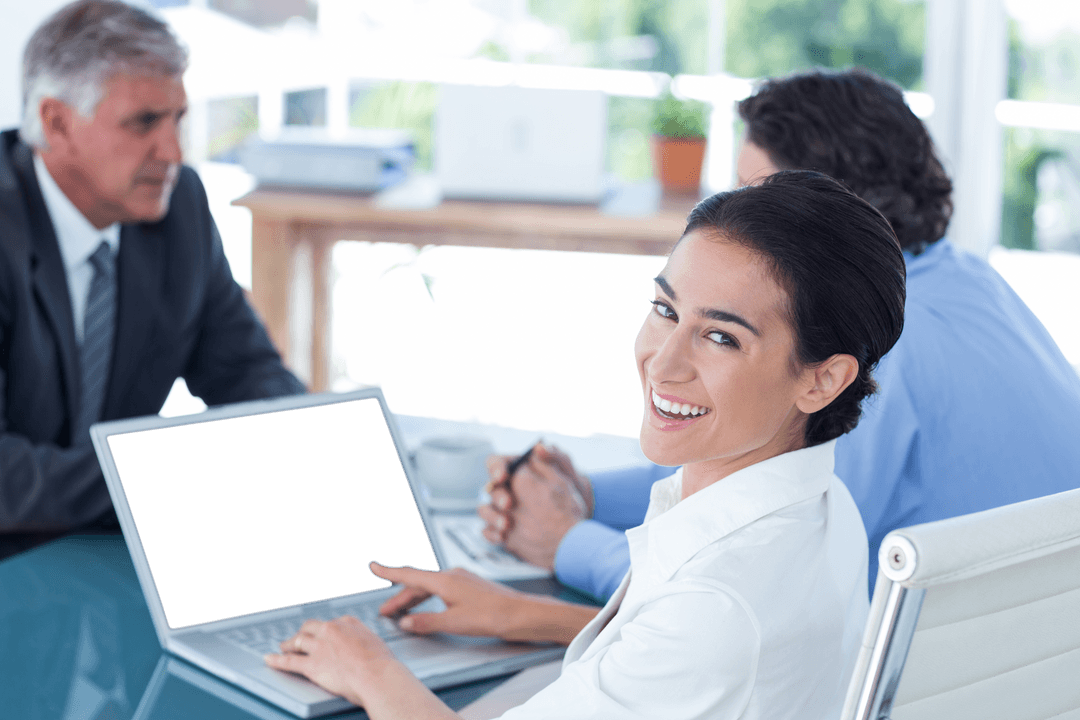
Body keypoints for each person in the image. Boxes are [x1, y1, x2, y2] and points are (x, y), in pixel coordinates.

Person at [264, 171, 907, 719]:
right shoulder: (824, 508)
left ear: (822, 379)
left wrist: (367, 667)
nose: (663, 363)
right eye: (665, 309)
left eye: (721, 338)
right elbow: (687, 656)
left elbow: (706, 637)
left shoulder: (718, 609)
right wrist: (519, 614)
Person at [481, 67, 1080, 600]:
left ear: (821, 212)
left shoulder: (878, 349)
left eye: (759, 194)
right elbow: (742, 467)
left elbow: (744, 574)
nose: (738, 216)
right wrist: (582, 493)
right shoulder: (967, 279)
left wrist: (566, 540)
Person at [0, 0, 304, 560]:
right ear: (56, 122)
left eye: (177, 119)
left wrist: (288, 440)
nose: (173, 152)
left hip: (116, 553)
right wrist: (174, 477)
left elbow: (246, 371)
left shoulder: (178, 205)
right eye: (144, 122)